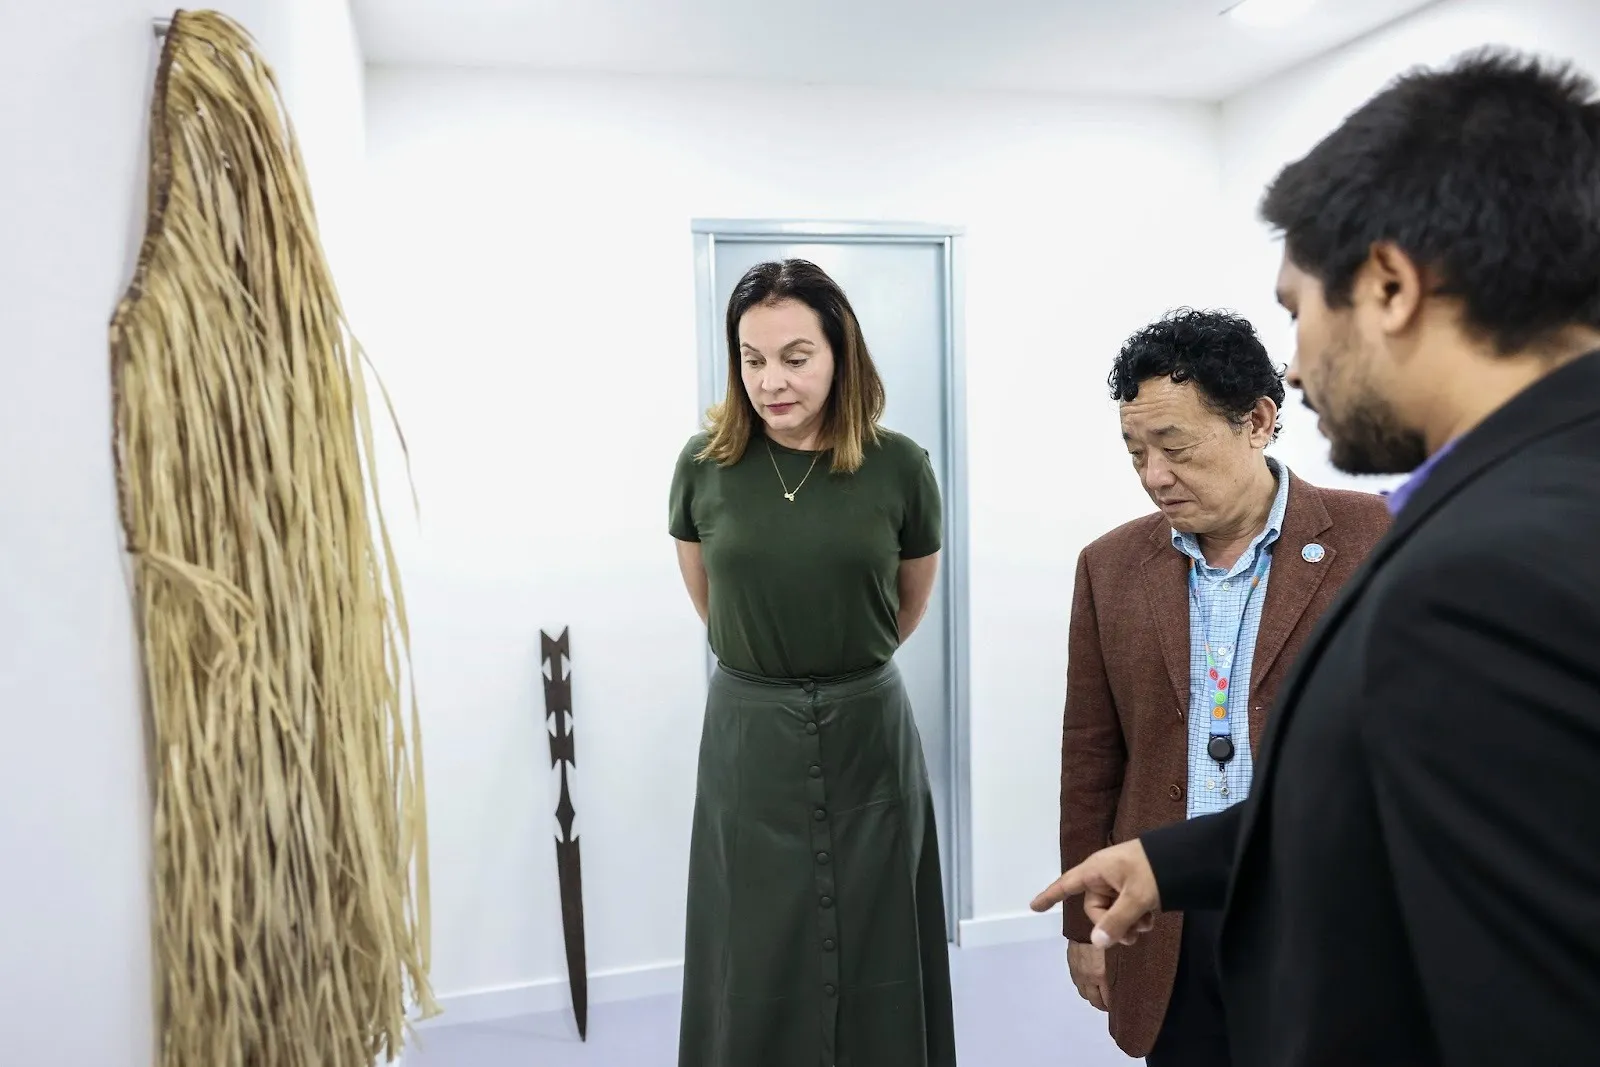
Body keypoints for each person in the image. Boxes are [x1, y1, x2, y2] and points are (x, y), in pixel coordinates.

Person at [1032, 47, 1600, 1067]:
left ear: (1387, 285)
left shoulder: (1491, 567)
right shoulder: (1529, 489)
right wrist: (1170, 859)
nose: (1293, 366)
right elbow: (1364, 804)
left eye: (1297, 310)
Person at [1060, 309, 1389, 1066]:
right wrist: (1086, 924)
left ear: (1259, 422)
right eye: (1135, 450)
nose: (1153, 475)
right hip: (1165, 909)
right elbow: (1090, 756)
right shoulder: (1109, 567)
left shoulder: (1371, 539)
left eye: (1174, 446)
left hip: (1317, 905)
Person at [669, 258, 956, 1067]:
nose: (771, 380)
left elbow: (905, 606)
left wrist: (833, 669)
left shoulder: (900, 466)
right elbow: (713, 603)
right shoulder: (703, 466)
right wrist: (777, 669)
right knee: (752, 942)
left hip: (869, 733)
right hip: (748, 738)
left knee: (878, 933)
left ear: (841, 354)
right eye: (752, 359)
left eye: (796, 357)